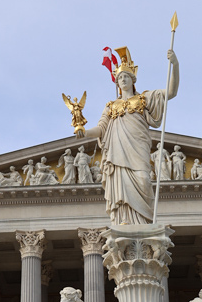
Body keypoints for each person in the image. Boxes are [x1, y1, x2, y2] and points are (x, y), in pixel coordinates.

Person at [77, 47, 179, 225]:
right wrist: (84, 132)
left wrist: (175, 65)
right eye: (120, 78)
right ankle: (124, 220)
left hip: (138, 149)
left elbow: (171, 92)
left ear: (133, 80)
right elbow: (101, 128)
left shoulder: (144, 99)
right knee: (121, 186)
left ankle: (143, 224)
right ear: (117, 83)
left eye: (126, 76)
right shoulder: (111, 106)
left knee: (143, 180)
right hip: (118, 153)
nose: (123, 80)